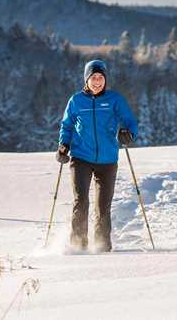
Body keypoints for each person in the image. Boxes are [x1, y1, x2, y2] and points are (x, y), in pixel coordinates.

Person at [56, 59, 138, 253]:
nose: (97, 81)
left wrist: (128, 133)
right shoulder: (76, 100)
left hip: (107, 160)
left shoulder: (114, 99)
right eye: (93, 77)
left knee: (103, 207)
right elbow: (66, 125)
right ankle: (78, 245)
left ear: (105, 79)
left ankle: (102, 247)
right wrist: (63, 145)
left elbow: (129, 120)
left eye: (101, 77)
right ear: (86, 79)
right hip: (81, 157)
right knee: (81, 201)